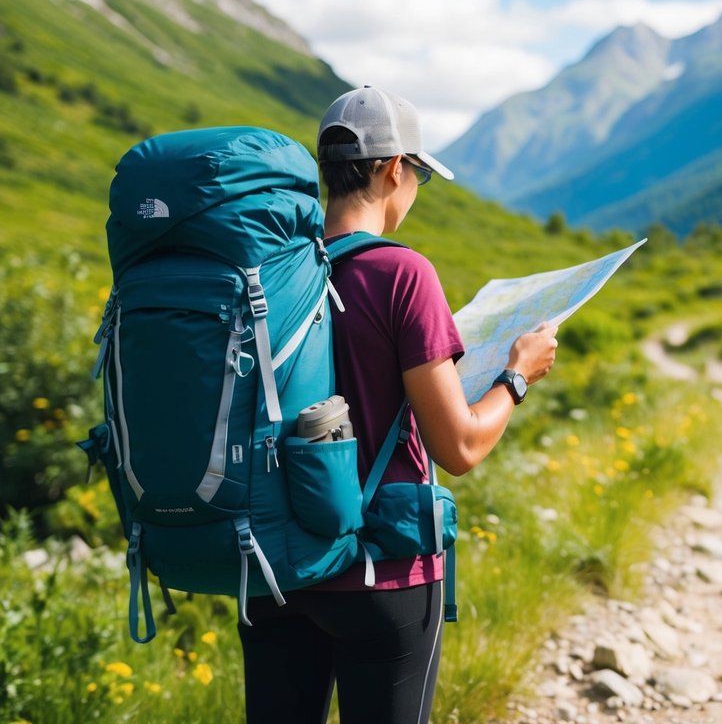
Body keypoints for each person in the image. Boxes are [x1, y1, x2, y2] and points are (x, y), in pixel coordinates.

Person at [238, 86, 559, 724]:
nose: (412, 188)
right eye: (416, 174)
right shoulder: (403, 274)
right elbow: (460, 448)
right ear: (393, 169)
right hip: (381, 574)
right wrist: (517, 376)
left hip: (276, 568)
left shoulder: (267, 274)